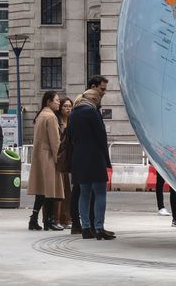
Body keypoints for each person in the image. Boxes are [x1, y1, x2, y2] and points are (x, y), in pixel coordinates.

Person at [68, 88, 115, 240]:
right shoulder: (92, 112)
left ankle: (86, 228)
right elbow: (101, 136)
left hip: (79, 157)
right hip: (94, 156)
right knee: (100, 193)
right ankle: (99, 228)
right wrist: (106, 159)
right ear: (95, 99)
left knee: (84, 193)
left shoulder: (73, 113)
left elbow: (70, 136)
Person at [27, 91, 65, 230]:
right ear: (49, 101)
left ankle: (34, 219)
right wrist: (59, 159)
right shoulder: (51, 117)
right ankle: (48, 221)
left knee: (42, 191)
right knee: (50, 190)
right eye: (56, 100)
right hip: (48, 156)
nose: (58, 102)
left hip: (39, 156)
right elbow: (55, 141)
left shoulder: (40, 115)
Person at [55, 97, 74, 228]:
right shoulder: (57, 121)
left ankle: (67, 217)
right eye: (65, 106)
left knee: (68, 191)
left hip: (70, 159)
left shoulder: (72, 121)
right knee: (63, 190)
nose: (68, 109)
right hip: (61, 159)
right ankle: (61, 217)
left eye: (70, 106)